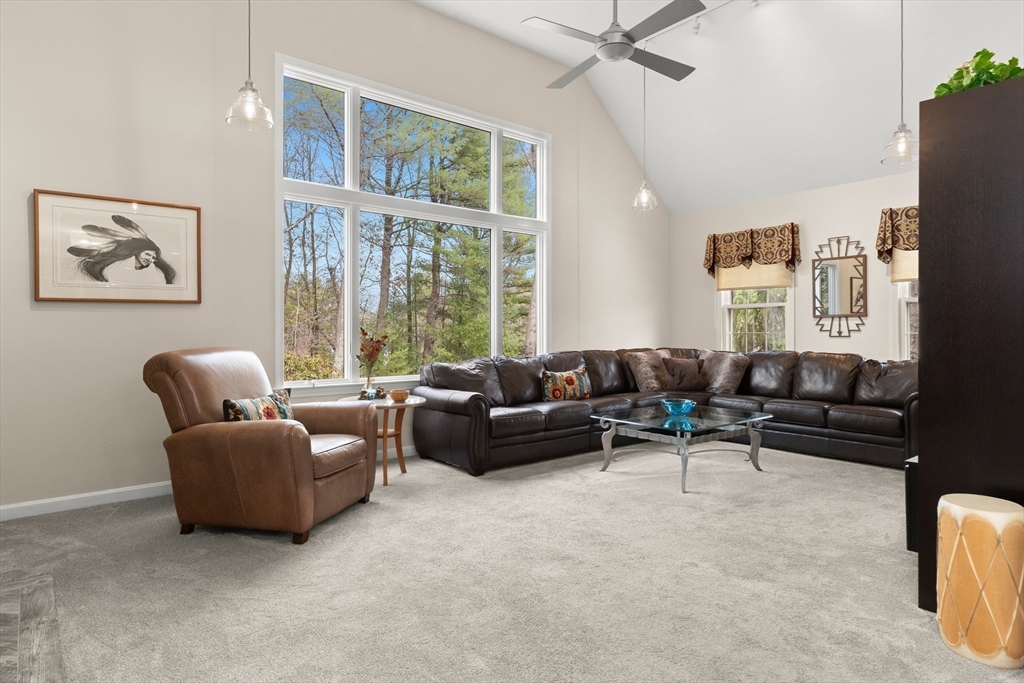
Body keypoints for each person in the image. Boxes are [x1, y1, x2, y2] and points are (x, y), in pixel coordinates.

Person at [67, 215, 177, 284]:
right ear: (137, 252)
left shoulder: (154, 274)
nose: (150, 259)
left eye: (153, 257)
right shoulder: (115, 268)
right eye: (148, 254)